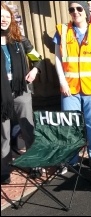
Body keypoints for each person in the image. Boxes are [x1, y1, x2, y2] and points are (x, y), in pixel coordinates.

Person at [53, 1, 91, 170]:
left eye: (79, 9)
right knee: (70, 124)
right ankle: (71, 158)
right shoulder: (61, 30)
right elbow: (57, 59)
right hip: (69, 88)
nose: (75, 12)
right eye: (72, 9)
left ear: (86, 12)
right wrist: (62, 82)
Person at [1, 2, 44, 184]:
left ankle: (35, 164)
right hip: (1, 95)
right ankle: (4, 170)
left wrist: (35, 71)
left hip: (21, 91)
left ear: (11, 19)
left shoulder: (19, 39)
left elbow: (37, 58)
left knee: (28, 129)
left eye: (7, 16)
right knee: (3, 134)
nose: (3, 20)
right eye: (0, 16)